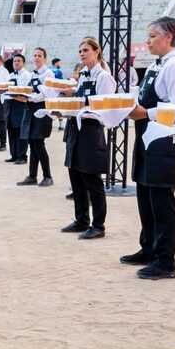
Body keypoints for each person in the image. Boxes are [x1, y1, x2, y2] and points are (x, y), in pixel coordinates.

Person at [121, 18, 175, 280]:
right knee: (145, 194)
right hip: (147, 135)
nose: (148, 41)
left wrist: (146, 112)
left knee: (162, 199)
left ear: (168, 37)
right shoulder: (156, 64)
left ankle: (166, 260)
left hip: (163, 139)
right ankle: (149, 247)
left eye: (153, 36)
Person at [61, 38, 115, 240]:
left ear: (96, 52)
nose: (82, 54)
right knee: (75, 176)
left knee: (92, 180)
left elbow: (106, 107)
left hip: (91, 132)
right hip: (75, 129)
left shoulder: (104, 77)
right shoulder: (83, 75)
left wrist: (82, 110)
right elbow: (79, 101)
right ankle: (81, 219)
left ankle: (98, 225)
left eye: (85, 50)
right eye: (80, 51)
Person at [16, 47, 54, 187]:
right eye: (35, 55)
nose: (37, 58)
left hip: (42, 111)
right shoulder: (33, 74)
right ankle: (32, 176)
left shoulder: (48, 74)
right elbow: (29, 90)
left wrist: (29, 98)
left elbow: (46, 94)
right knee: (32, 144)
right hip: (31, 111)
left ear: (45, 58)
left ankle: (48, 176)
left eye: (39, 55)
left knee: (39, 144)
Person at [3, 53, 31, 165]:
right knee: (11, 130)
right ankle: (14, 155)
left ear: (23, 63)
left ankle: (22, 156)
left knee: (21, 131)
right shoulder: (11, 75)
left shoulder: (27, 75)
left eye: (19, 61)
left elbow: (26, 92)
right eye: (15, 61)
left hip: (21, 105)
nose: (16, 63)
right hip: (10, 105)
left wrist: (13, 94)